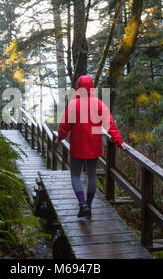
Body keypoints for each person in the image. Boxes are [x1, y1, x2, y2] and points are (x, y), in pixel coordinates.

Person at [54, 75, 129, 217]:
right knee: (92, 175)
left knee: (75, 176)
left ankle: (82, 205)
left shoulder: (73, 105)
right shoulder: (99, 104)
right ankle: (88, 205)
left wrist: (59, 138)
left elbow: (65, 126)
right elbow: (110, 125)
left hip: (78, 146)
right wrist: (119, 141)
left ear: (78, 87)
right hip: (94, 146)